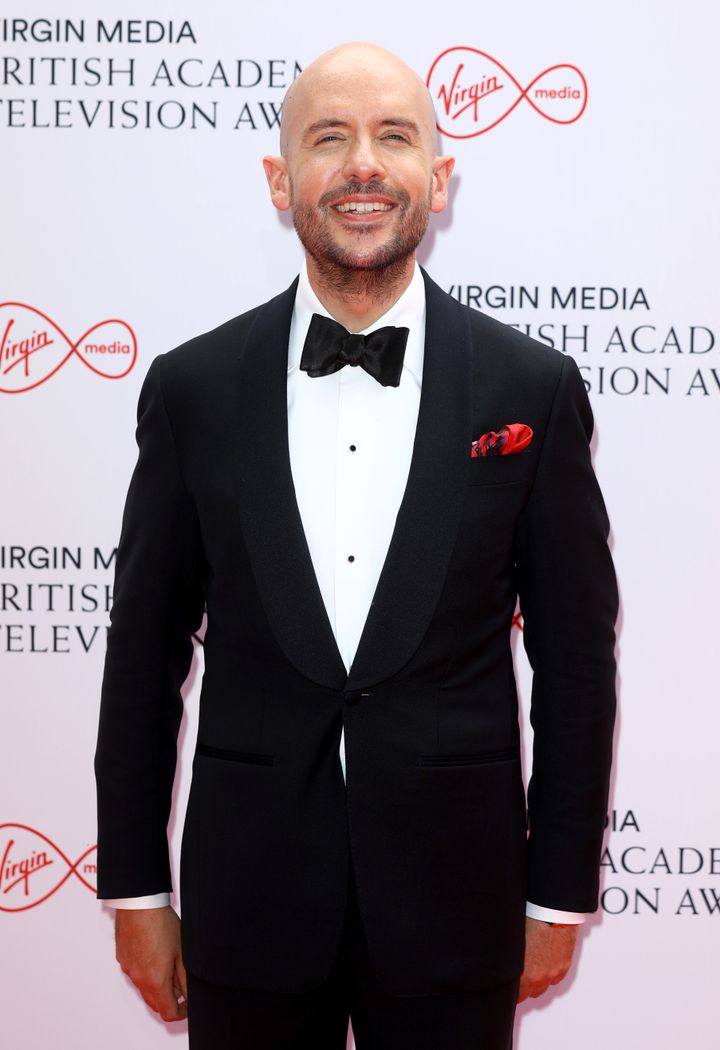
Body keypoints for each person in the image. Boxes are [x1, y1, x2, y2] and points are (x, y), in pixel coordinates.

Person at [94, 41, 618, 1050]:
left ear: (440, 177)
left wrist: (557, 899)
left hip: (457, 908)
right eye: (330, 139)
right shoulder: (192, 389)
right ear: (280, 180)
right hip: (247, 906)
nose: (365, 165)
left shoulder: (531, 392)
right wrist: (135, 887)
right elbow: (141, 654)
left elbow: (576, 665)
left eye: (395, 137)